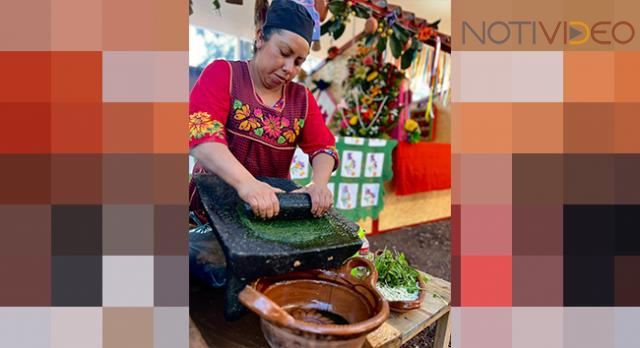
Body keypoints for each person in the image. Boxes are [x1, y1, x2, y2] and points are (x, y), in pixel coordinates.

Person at [188, 0, 339, 225]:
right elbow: (202, 134)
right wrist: (246, 183)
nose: (290, 68)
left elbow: (324, 147)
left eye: (299, 61)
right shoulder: (224, 74)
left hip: (266, 212)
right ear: (260, 38)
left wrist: (318, 184)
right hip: (208, 210)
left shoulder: (302, 99)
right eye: (284, 52)